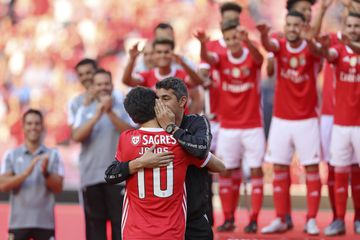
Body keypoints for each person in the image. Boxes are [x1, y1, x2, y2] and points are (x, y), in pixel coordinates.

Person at [106, 77, 216, 240]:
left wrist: (172, 129)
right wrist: (140, 162)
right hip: (167, 226)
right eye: (157, 99)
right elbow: (219, 165)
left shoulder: (195, 123)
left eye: (165, 98)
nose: (160, 104)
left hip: (192, 217)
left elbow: (202, 151)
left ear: (182, 101)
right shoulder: (161, 138)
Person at [257, 11, 323, 235]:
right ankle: (280, 218)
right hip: (281, 119)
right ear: (285, 26)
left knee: (312, 168)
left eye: (297, 25)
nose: (292, 28)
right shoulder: (280, 45)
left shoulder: (312, 49)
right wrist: (264, 36)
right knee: (279, 168)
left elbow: (318, 51)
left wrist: (312, 35)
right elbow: (269, 46)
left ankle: (311, 219)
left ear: (304, 26)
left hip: (307, 119)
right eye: (290, 24)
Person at [196, 19, 265, 233]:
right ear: (224, 41)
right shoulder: (221, 58)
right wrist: (203, 44)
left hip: (253, 125)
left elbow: (260, 59)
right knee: (226, 172)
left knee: (255, 170)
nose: (233, 42)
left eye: (235, 37)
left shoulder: (250, 56)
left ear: (241, 37)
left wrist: (250, 42)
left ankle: (254, 219)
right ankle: (229, 218)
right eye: (228, 39)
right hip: (229, 126)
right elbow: (207, 58)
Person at [72, 68, 132, 240]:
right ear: (93, 86)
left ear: (112, 85)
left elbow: (130, 134)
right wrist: (97, 114)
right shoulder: (84, 108)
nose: (103, 87)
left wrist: (110, 112)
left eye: (106, 83)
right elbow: (76, 136)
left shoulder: (123, 106)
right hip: (91, 177)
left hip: (118, 177)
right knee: (95, 229)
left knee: (119, 227)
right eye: (99, 84)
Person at [320, 12, 360, 236]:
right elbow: (330, 54)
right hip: (341, 124)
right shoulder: (340, 49)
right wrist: (326, 48)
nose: (353, 29)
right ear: (345, 26)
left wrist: (352, 43)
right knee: (341, 173)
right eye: (350, 25)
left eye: (357, 26)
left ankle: (358, 219)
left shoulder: (352, 46)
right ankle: (338, 220)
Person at [0, 109, 64, 240]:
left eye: (36, 123)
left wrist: (46, 173)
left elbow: (58, 188)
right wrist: (25, 174)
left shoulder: (53, 155)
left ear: (42, 127)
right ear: (23, 127)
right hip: (18, 222)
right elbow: (3, 185)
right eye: (29, 124)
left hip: (45, 223)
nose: (33, 127)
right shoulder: (11, 155)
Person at [122, 38, 203, 114]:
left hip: (180, 126)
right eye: (159, 52)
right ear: (154, 55)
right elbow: (127, 81)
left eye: (166, 52)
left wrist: (183, 64)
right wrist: (132, 59)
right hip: (157, 127)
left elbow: (198, 82)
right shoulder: (147, 75)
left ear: (172, 53)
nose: (163, 55)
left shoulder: (182, 74)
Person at [68, 58, 98, 127]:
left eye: (88, 73)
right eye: (81, 75)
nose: (85, 77)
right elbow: (75, 134)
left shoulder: (115, 96)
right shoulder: (75, 103)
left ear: (97, 71)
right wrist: (85, 107)